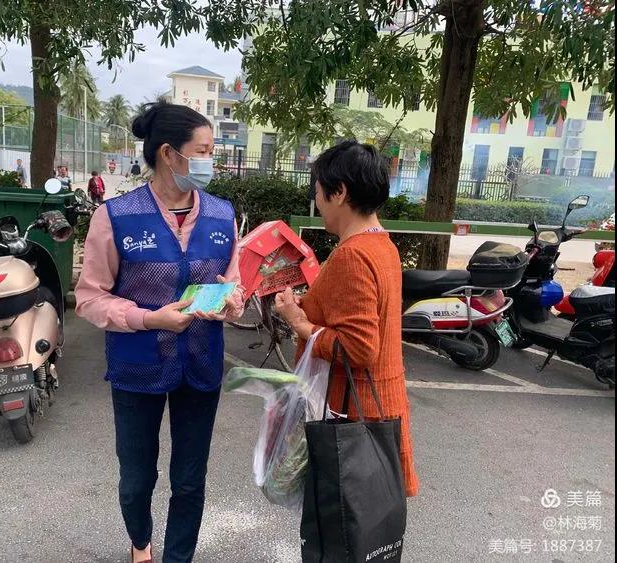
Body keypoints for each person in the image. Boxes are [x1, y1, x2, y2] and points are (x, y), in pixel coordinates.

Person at [75, 101, 244, 563]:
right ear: (169, 154)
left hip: (201, 364)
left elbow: (233, 283)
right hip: (138, 365)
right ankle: (141, 542)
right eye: (203, 151)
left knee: (189, 479)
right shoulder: (116, 216)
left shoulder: (221, 214)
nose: (211, 160)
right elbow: (89, 297)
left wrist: (232, 301)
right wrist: (149, 318)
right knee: (136, 479)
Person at [274, 140, 419, 498]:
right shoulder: (382, 245)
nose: (317, 202)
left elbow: (359, 347)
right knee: (365, 519)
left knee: (342, 518)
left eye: (318, 193)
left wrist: (299, 323)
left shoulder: (352, 255)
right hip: (380, 405)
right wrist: (308, 306)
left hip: (352, 414)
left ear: (339, 193)